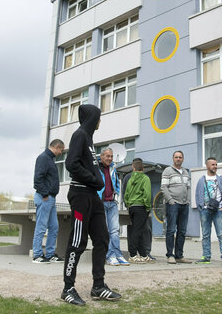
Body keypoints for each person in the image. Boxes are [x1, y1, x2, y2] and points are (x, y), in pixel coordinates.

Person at [61, 104, 121, 306]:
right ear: (92, 118)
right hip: (80, 195)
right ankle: (68, 288)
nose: (100, 121)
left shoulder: (89, 140)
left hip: (93, 197)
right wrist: (93, 179)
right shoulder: (80, 135)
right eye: (99, 117)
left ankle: (98, 286)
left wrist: (96, 181)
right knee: (78, 241)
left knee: (102, 238)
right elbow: (71, 164)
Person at [32, 139, 66, 264]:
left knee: (54, 227)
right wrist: (45, 194)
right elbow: (37, 179)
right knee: (41, 227)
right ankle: (37, 255)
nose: (61, 153)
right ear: (57, 147)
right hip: (44, 197)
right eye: (61, 150)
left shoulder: (50, 159)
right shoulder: (43, 158)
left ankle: (50, 254)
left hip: (50, 198)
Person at [97, 147, 130, 266]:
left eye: (111, 156)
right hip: (101, 203)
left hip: (112, 203)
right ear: (101, 156)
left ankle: (118, 255)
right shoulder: (96, 168)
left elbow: (115, 183)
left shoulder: (113, 169)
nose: (110, 158)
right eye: (107, 156)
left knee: (115, 231)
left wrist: (116, 194)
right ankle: (110, 255)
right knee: (105, 231)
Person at [194, 157, 222, 266]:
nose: (215, 166)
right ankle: (206, 256)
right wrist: (200, 208)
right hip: (205, 210)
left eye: (216, 164)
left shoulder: (221, 178)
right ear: (207, 166)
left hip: (218, 210)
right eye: (213, 164)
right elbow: (197, 194)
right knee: (205, 234)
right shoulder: (201, 179)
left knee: (221, 234)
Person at [161, 150, 192, 264]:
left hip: (184, 205)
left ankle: (179, 255)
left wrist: (188, 200)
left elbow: (188, 187)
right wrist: (171, 200)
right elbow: (164, 187)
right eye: (176, 157)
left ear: (183, 159)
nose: (178, 159)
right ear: (173, 159)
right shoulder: (167, 171)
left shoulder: (185, 172)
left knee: (182, 231)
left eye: (180, 157)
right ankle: (170, 255)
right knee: (171, 230)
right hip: (173, 204)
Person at [123, 158, 152, 263]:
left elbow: (126, 194)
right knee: (138, 231)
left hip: (132, 207)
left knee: (137, 230)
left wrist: (128, 204)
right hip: (141, 207)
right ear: (143, 168)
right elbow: (147, 194)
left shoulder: (130, 179)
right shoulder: (145, 178)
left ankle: (143, 255)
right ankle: (133, 254)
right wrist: (148, 207)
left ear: (133, 167)